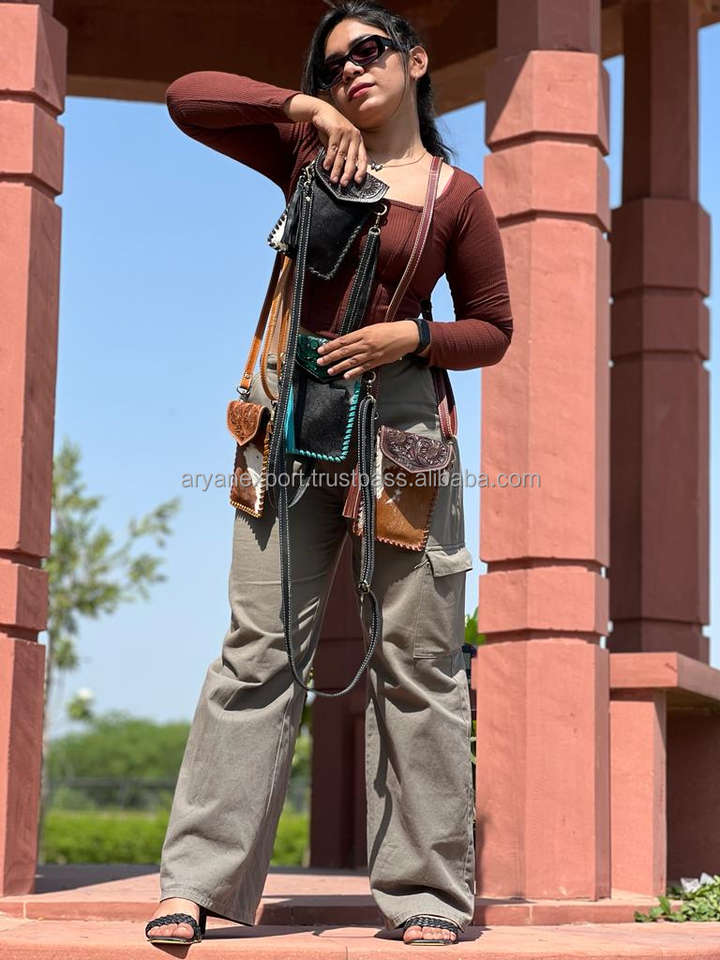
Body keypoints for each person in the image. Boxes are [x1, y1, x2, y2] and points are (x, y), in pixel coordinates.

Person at [145, 0, 513, 947]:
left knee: (418, 660)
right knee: (258, 648)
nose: (351, 68)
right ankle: (197, 884)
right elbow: (187, 99)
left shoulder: (456, 196)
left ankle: (426, 893)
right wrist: (299, 107)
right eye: (333, 61)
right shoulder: (310, 155)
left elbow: (494, 328)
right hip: (287, 420)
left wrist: (413, 334)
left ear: (416, 62)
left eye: (370, 50)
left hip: (403, 433)